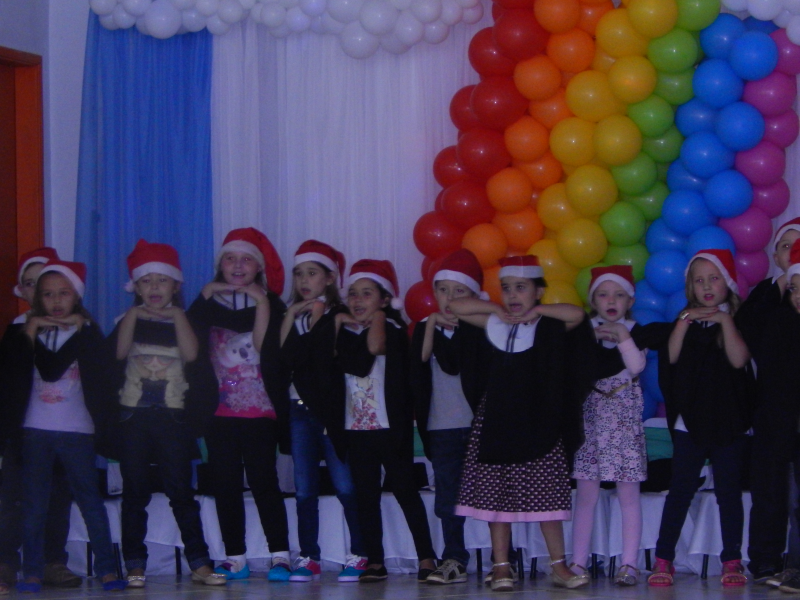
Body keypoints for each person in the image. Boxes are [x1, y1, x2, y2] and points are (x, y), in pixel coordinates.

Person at [448, 255, 592, 592]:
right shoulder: (495, 323)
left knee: (547, 499)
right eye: (507, 288)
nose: (513, 295)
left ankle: (558, 565)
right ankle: (501, 567)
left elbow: (577, 314)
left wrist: (536, 312)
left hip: (539, 420)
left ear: (538, 291)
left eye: (522, 288)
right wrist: (496, 309)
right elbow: (457, 305)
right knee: (497, 500)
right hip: (497, 419)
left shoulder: (548, 324)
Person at [109, 240, 224, 587]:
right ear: (136, 286)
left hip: (172, 418)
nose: (154, 287)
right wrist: (132, 315)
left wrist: (175, 314)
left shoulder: (183, 320)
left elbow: (191, 356)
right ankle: (134, 563)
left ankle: (200, 562)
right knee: (135, 492)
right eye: (146, 281)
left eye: (162, 280)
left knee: (180, 491)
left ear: (176, 285)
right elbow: (118, 353)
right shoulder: (126, 318)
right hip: (134, 419)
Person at [7, 260, 126, 592]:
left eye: (64, 293)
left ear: (77, 296)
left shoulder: (87, 331)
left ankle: (106, 569)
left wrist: (81, 329)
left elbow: (104, 370)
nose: (56, 301)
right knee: (34, 504)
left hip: (77, 430)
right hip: (35, 430)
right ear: (37, 299)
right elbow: (16, 368)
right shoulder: (24, 329)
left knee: (90, 501)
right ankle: (32, 570)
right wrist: (29, 330)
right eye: (48, 295)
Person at [187, 228, 292, 582]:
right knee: (226, 484)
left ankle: (280, 553)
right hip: (218, 413)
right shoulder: (206, 304)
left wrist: (261, 301)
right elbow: (189, 344)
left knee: (265, 481)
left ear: (258, 268)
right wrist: (205, 294)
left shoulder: (273, 303)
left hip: (260, 411)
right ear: (220, 266)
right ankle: (235, 556)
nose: (237, 265)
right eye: (230, 258)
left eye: (246, 259)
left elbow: (265, 349)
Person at [647, 249, 753, 587]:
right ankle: (664, 558)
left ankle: (732, 560)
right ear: (690, 286)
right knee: (680, 491)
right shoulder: (685, 321)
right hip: (689, 423)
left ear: (727, 283)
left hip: (729, 421)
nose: (707, 286)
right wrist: (684, 320)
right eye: (699, 280)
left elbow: (739, 361)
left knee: (728, 492)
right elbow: (672, 357)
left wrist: (724, 321)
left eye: (714, 278)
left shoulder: (737, 320)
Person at [332, 259, 437, 583]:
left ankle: (426, 556)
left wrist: (378, 316)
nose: (358, 300)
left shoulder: (391, 328)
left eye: (367, 294)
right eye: (353, 294)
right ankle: (375, 559)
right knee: (366, 496)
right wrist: (339, 323)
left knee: (406, 491)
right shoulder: (345, 331)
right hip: (357, 428)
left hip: (391, 427)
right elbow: (339, 361)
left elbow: (373, 349)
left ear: (384, 298)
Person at [279, 240, 366, 582]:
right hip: (297, 409)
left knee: (345, 485)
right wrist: (289, 314)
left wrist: (321, 320)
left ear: (330, 278)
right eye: (299, 273)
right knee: (304, 489)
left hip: (331, 412)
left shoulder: (338, 317)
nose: (304, 280)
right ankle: (309, 555)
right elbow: (281, 355)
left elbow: (324, 361)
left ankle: (359, 552)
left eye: (312, 273)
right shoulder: (293, 314)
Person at [0, 248, 84, 594]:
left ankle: (53, 561)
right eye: (31, 285)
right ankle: (7, 561)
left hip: (65, 428)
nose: (39, 293)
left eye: (45, 285)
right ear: (23, 291)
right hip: (24, 432)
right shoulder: (18, 329)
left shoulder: (78, 327)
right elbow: (11, 374)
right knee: (16, 499)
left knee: (58, 498)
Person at [409, 249, 486, 585]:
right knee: (448, 499)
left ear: (474, 296)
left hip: (479, 425)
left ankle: (505, 557)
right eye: (443, 290)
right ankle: (454, 557)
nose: (450, 299)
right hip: (441, 428)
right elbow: (419, 361)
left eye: (460, 292)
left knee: (493, 493)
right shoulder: (426, 328)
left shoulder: (481, 329)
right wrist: (430, 325)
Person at [570, 266, 647, 587]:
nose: (610, 300)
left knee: (628, 493)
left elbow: (636, 365)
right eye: (603, 294)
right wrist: (590, 338)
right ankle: (577, 562)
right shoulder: (584, 330)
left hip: (624, 421)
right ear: (593, 300)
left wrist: (623, 336)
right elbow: (576, 367)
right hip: (591, 418)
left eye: (618, 294)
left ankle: (629, 563)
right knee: (586, 494)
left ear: (629, 300)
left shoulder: (635, 329)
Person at [742, 217, 800, 585]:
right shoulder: (767, 296)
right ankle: (765, 560)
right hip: (772, 409)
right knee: (769, 488)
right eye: (785, 245)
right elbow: (745, 336)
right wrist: (781, 288)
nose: (791, 251)